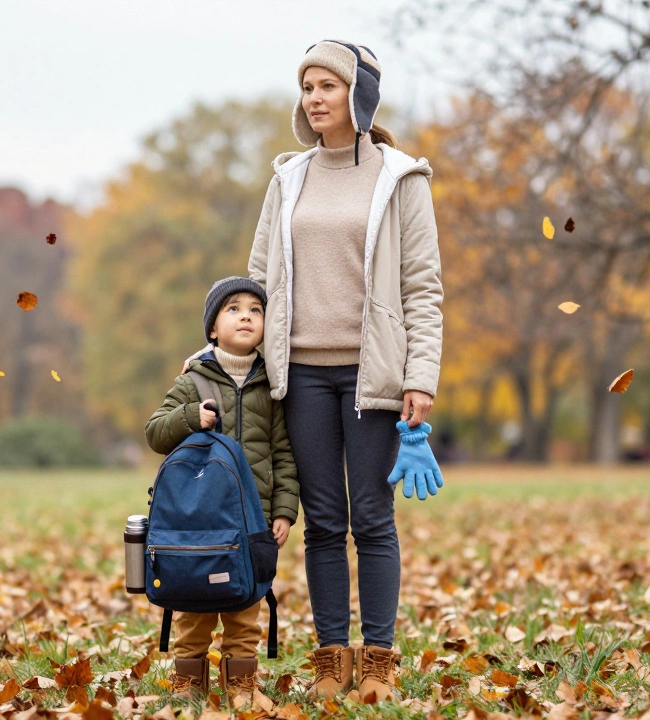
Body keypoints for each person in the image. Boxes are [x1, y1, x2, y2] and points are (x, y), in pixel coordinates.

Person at [249, 40, 444, 702]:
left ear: (357, 94)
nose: (313, 97)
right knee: (324, 520)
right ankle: (332, 661)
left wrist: (421, 375)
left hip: (373, 375)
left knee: (372, 515)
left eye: (326, 85)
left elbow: (423, 286)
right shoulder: (288, 179)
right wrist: (230, 356)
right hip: (300, 374)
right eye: (306, 86)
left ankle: (380, 662)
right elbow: (258, 278)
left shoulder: (401, 178)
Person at [145, 276, 300, 705]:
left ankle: (241, 685)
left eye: (255, 309)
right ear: (212, 328)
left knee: (245, 607)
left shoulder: (273, 385)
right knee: (194, 610)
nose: (246, 315)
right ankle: (188, 683)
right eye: (233, 309)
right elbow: (156, 434)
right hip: (196, 522)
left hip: (252, 522)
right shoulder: (192, 381)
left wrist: (284, 511)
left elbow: (284, 453)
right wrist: (191, 416)